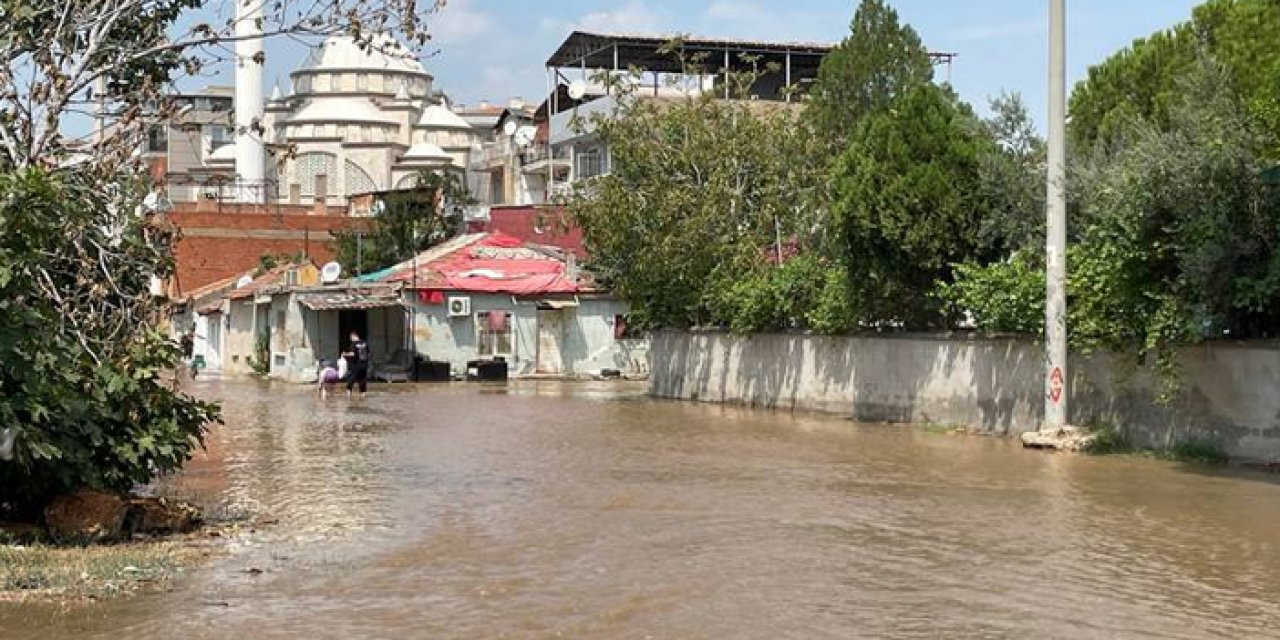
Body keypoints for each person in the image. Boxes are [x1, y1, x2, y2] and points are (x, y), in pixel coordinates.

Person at [343, 331, 370, 398]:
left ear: (353, 336)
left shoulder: (353, 344)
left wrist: (345, 354)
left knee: (351, 380)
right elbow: (369, 354)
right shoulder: (365, 343)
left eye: (351, 338)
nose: (350, 339)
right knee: (362, 381)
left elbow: (353, 354)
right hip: (364, 365)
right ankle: (363, 397)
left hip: (356, 365)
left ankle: (348, 398)